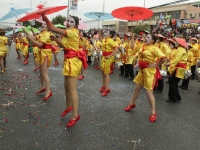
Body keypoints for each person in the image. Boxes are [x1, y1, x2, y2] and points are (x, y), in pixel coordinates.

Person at [42, 15, 88, 128]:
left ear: (76, 25)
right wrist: (56, 40)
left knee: (72, 90)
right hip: (68, 61)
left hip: (73, 62)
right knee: (66, 87)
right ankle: (68, 107)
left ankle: (75, 115)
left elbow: (52, 28)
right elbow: (64, 46)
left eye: (71, 22)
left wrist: (45, 18)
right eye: (68, 21)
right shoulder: (68, 32)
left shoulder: (72, 32)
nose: (68, 23)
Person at [124, 33, 167, 122]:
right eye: (145, 37)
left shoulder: (154, 48)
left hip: (149, 72)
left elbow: (164, 58)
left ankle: (153, 112)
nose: (145, 38)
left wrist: (156, 65)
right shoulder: (141, 46)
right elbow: (132, 48)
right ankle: (132, 104)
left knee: (149, 92)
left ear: (152, 41)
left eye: (148, 37)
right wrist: (132, 38)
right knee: (137, 89)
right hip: (141, 71)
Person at [22, 24, 53, 101]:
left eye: (44, 25)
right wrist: (25, 31)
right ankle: (42, 87)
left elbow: (39, 44)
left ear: (48, 27)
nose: (42, 25)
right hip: (41, 53)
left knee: (44, 73)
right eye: (42, 25)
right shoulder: (42, 34)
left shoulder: (47, 34)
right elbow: (34, 37)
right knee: (41, 72)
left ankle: (48, 91)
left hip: (45, 53)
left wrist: (30, 39)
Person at [166, 38, 187, 103]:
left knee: (173, 83)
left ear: (179, 43)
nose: (175, 43)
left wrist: (170, 64)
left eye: (176, 42)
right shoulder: (181, 49)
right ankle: (177, 96)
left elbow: (177, 59)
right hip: (179, 68)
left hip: (177, 68)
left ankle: (173, 98)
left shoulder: (180, 49)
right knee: (174, 83)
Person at [99, 29, 119, 96]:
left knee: (106, 73)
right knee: (102, 72)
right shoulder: (104, 39)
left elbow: (116, 50)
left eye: (107, 32)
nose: (105, 33)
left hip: (108, 58)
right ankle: (103, 86)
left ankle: (107, 89)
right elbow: (100, 39)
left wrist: (110, 56)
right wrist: (99, 32)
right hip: (104, 57)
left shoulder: (111, 41)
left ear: (110, 35)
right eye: (105, 32)